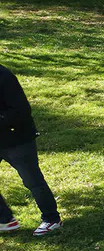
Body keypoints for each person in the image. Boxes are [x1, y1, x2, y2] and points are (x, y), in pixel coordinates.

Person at [0, 63, 62, 237]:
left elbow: (21, 110)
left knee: (32, 180)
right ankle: (5, 219)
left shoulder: (4, 76)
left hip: (17, 139)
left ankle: (52, 219)